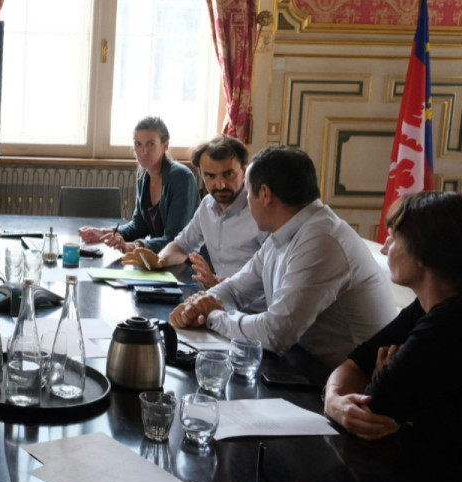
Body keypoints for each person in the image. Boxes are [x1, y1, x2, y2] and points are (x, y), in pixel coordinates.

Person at [169, 146, 397, 367]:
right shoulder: (285, 232)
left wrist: (212, 316)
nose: (247, 201)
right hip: (304, 366)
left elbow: (275, 333)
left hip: (349, 382)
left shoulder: (322, 240)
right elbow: (235, 289)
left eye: (248, 193)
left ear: (265, 194)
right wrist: (195, 306)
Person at [324, 192, 462, 445]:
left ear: (422, 253)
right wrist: (334, 399)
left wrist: (378, 378)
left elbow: (373, 411)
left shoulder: (447, 322)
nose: (384, 248)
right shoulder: (426, 305)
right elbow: (356, 363)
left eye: (393, 238)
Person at [126, 135, 266, 289]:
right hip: (221, 295)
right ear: (201, 174)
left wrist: (220, 285)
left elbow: (271, 275)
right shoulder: (207, 205)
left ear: (244, 171)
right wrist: (160, 261)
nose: (220, 185)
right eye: (210, 176)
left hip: (252, 302)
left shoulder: (261, 211)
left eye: (228, 174)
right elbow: (181, 246)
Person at [78, 117, 199, 252]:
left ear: (165, 145)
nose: (144, 151)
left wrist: (133, 246)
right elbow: (139, 226)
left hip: (188, 260)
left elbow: (175, 239)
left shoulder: (182, 177)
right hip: (158, 258)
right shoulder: (143, 175)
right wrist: (105, 233)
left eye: (151, 144)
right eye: (138, 144)